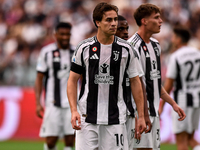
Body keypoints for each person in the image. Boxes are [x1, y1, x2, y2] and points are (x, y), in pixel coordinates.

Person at [67, 2, 146, 150]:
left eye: (115, 19)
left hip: (115, 119)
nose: (114, 23)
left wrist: (140, 116)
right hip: (87, 118)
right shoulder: (84, 48)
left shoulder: (126, 50)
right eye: (108, 20)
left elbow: (136, 82)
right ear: (98, 22)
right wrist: (73, 110)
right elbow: (72, 81)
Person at [127, 3, 186, 150]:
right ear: (144, 21)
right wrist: (141, 115)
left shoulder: (155, 45)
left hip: (153, 113)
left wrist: (173, 104)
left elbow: (154, 81)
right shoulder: (132, 46)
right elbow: (136, 83)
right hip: (138, 114)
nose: (161, 21)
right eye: (156, 18)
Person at [35, 22, 75, 150]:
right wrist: (38, 102)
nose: (65, 37)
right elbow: (39, 78)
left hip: (72, 103)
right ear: (55, 35)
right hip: (53, 102)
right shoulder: (47, 52)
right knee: (51, 140)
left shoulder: (76, 52)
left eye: (67, 34)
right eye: (62, 34)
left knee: (70, 139)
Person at [159, 26, 200, 150]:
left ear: (178, 39)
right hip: (197, 98)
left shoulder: (175, 56)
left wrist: (161, 105)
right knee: (190, 139)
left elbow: (169, 83)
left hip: (182, 100)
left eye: (173, 37)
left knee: (181, 141)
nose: (172, 39)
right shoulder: (197, 53)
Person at [116, 15, 152, 150]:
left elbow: (139, 83)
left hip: (129, 114)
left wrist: (141, 116)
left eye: (126, 28)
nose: (126, 32)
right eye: (121, 29)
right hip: (108, 115)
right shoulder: (100, 52)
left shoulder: (131, 51)